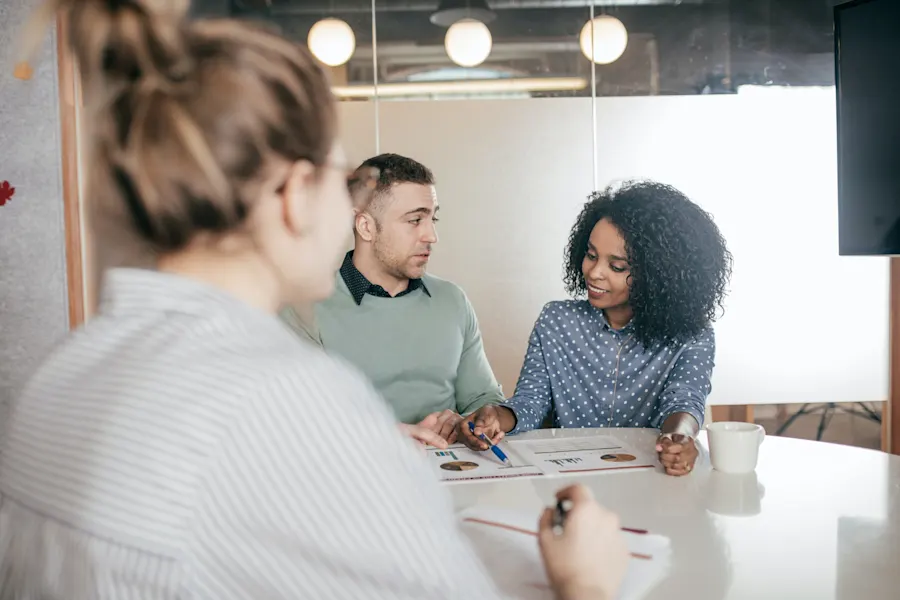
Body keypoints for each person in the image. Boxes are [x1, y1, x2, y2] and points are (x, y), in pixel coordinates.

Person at [0, 1, 629, 598]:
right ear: (296, 193)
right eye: (339, 181)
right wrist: (584, 582)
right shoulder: (285, 399)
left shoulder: (59, 374)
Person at [460, 181, 733, 477]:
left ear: (658, 276)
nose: (594, 272)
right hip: (569, 484)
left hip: (652, 481)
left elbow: (683, 402)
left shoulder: (691, 336)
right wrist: (499, 417)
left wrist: (680, 437)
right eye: (591, 255)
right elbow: (531, 401)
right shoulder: (557, 321)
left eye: (617, 267)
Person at [281, 153, 504, 442]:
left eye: (432, 218)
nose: (431, 235)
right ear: (366, 227)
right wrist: (389, 437)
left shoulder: (452, 300)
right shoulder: (304, 306)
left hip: (449, 474)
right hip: (352, 475)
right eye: (415, 220)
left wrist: (477, 421)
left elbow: (483, 398)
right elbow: (296, 422)